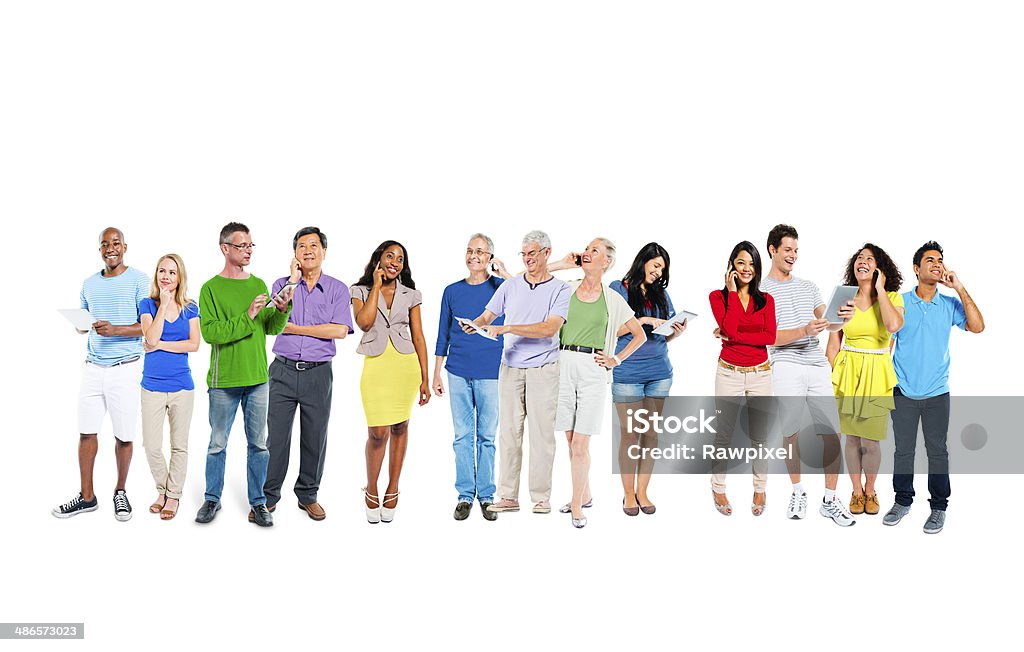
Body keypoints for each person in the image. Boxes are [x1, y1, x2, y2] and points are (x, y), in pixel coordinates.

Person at [194, 222, 294, 527]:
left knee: (259, 445)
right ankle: (212, 499)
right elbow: (211, 333)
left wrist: (282, 308)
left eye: (251, 245)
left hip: (258, 380)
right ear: (225, 248)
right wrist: (247, 315)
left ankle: (259, 503)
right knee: (217, 444)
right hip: (224, 382)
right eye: (242, 246)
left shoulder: (259, 284)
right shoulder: (210, 288)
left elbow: (271, 328)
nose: (248, 251)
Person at [466, 230, 571, 516]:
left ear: (547, 253)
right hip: (510, 368)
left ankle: (540, 497)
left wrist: (508, 327)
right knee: (509, 434)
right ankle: (508, 496)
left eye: (533, 254)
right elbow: (488, 316)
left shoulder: (560, 289)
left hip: (543, 369)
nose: (527, 260)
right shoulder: (511, 286)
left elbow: (549, 328)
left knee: (541, 435)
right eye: (524, 255)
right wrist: (474, 324)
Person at [885, 241, 984, 534]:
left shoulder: (949, 304)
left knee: (937, 451)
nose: (937, 264)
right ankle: (902, 501)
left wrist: (960, 288)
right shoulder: (900, 302)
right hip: (902, 390)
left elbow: (978, 326)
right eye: (930, 260)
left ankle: (938, 508)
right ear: (916, 269)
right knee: (903, 451)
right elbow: (887, 342)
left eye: (940, 260)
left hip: (937, 393)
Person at [761, 225, 856, 526]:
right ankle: (797, 491)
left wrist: (842, 318)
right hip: (785, 363)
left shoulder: (809, 286)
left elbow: (828, 324)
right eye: (787, 249)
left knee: (832, 433)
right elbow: (768, 337)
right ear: (772, 250)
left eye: (796, 251)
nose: (793, 255)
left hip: (816, 364)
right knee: (791, 432)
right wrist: (803, 330)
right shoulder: (761, 292)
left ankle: (829, 499)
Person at [53, 227, 149, 521]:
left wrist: (117, 329)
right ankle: (87, 497)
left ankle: (120, 492)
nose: (111, 248)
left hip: (126, 368)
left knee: (124, 435)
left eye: (116, 243)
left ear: (125, 247)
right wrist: (81, 324)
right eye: (105, 244)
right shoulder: (89, 283)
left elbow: (149, 325)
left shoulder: (140, 280)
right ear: (100, 250)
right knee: (86, 432)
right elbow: (83, 321)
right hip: (93, 367)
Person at [553, 238, 646, 528]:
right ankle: (587, 492)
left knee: (580, 443)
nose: (587, 253)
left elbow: (638, 334)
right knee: (570, 440)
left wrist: (616, 359)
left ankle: (577, 504)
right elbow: (524, 282)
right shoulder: (565, 289)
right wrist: (560, 264)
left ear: (607, 262)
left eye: (595, 250)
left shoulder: (612, 298)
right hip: (563, 364)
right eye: (587, 249)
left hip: (593, 370)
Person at [264, 227, 353, 522]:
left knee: (315, 436)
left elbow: (339, 330)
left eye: (314, 245)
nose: (308, 250)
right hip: (282, 370)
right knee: (276, 437)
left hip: (318, 374)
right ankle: (269, 496)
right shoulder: (281, 284)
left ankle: (308, 495)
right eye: (302, 246)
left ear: (324, 252)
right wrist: (292, 281)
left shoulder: (338, 289)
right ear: (295, 254)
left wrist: (296, 328)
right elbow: (271, 323)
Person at [352, 241, 430, 524]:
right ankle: (371, 488)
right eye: (389, 256)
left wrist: (425, 378)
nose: (394, 262)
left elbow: (419, 336)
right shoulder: (359, 291)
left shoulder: (412, 295)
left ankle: (393, 486)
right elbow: (364, 322)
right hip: (376, 366)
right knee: (377, 433)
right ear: (379, 259)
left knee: (400, 426)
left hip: (405, 366)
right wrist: (375, 285)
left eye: (400, 258)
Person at [432, 234, 508, 522]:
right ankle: (465, 495)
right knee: (463, 436)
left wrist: (505, 273)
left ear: (490, 257)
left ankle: (487, 496)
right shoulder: (452, 291)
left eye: (480, 251)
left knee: (487, 436)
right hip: (457, 372)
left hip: (491, 372)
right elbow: (442, 335)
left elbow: (527, 301)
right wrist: (435, 372)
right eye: (469, 250)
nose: (473, 255)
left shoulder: (502, 288)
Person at [826, 243, 904, 517]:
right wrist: (839, 375)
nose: (863, 262)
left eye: (870, 259)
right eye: (860, 258)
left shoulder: (893, 297)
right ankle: (856, 492)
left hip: (877, 373)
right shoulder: (843, 297)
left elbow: (894, 326)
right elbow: (832, 345)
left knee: (871, 441)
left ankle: (871, 489)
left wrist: (880, 289)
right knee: (851, 439)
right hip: (848, 373)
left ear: (879, 267)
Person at [609, 243, 686, 517]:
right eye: (655, 266)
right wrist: (641, 321)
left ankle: (642, 491)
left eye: (662, 268)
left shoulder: (660, 293)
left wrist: (675, 330)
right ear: (643, 261)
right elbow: (609, 332)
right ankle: (628, 493)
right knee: (630, 435)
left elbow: (664, 334)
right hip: (627, 371)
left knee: (651, 434)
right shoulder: (619, 288)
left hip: (659, 372)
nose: (657, 272)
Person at [709, 241, 776, 517]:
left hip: (761, 373)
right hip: (729, 373)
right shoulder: (718, 297)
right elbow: (730, 328)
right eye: (741, 263)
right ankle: (718, 486)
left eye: (751, 264)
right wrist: (734, 294)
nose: (747, 268)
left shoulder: (767, 300)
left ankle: (760, 487)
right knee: (723, 435)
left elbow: (769, 337)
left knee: (760, 437)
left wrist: (734, 334)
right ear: (731, 267)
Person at [139, 254, 200, 521]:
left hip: (181, 386)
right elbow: (149, 336)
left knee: (179, 445)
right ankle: (162, 490)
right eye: (162, 271)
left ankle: (172, 496)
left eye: (172, 272)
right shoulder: (147, 304)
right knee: (152, 445)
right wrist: (162, 306)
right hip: (152, 386)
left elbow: (194, 344)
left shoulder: (190, 307)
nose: (166, 276)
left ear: (180, 277)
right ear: (156, 275)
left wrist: (161, 345)